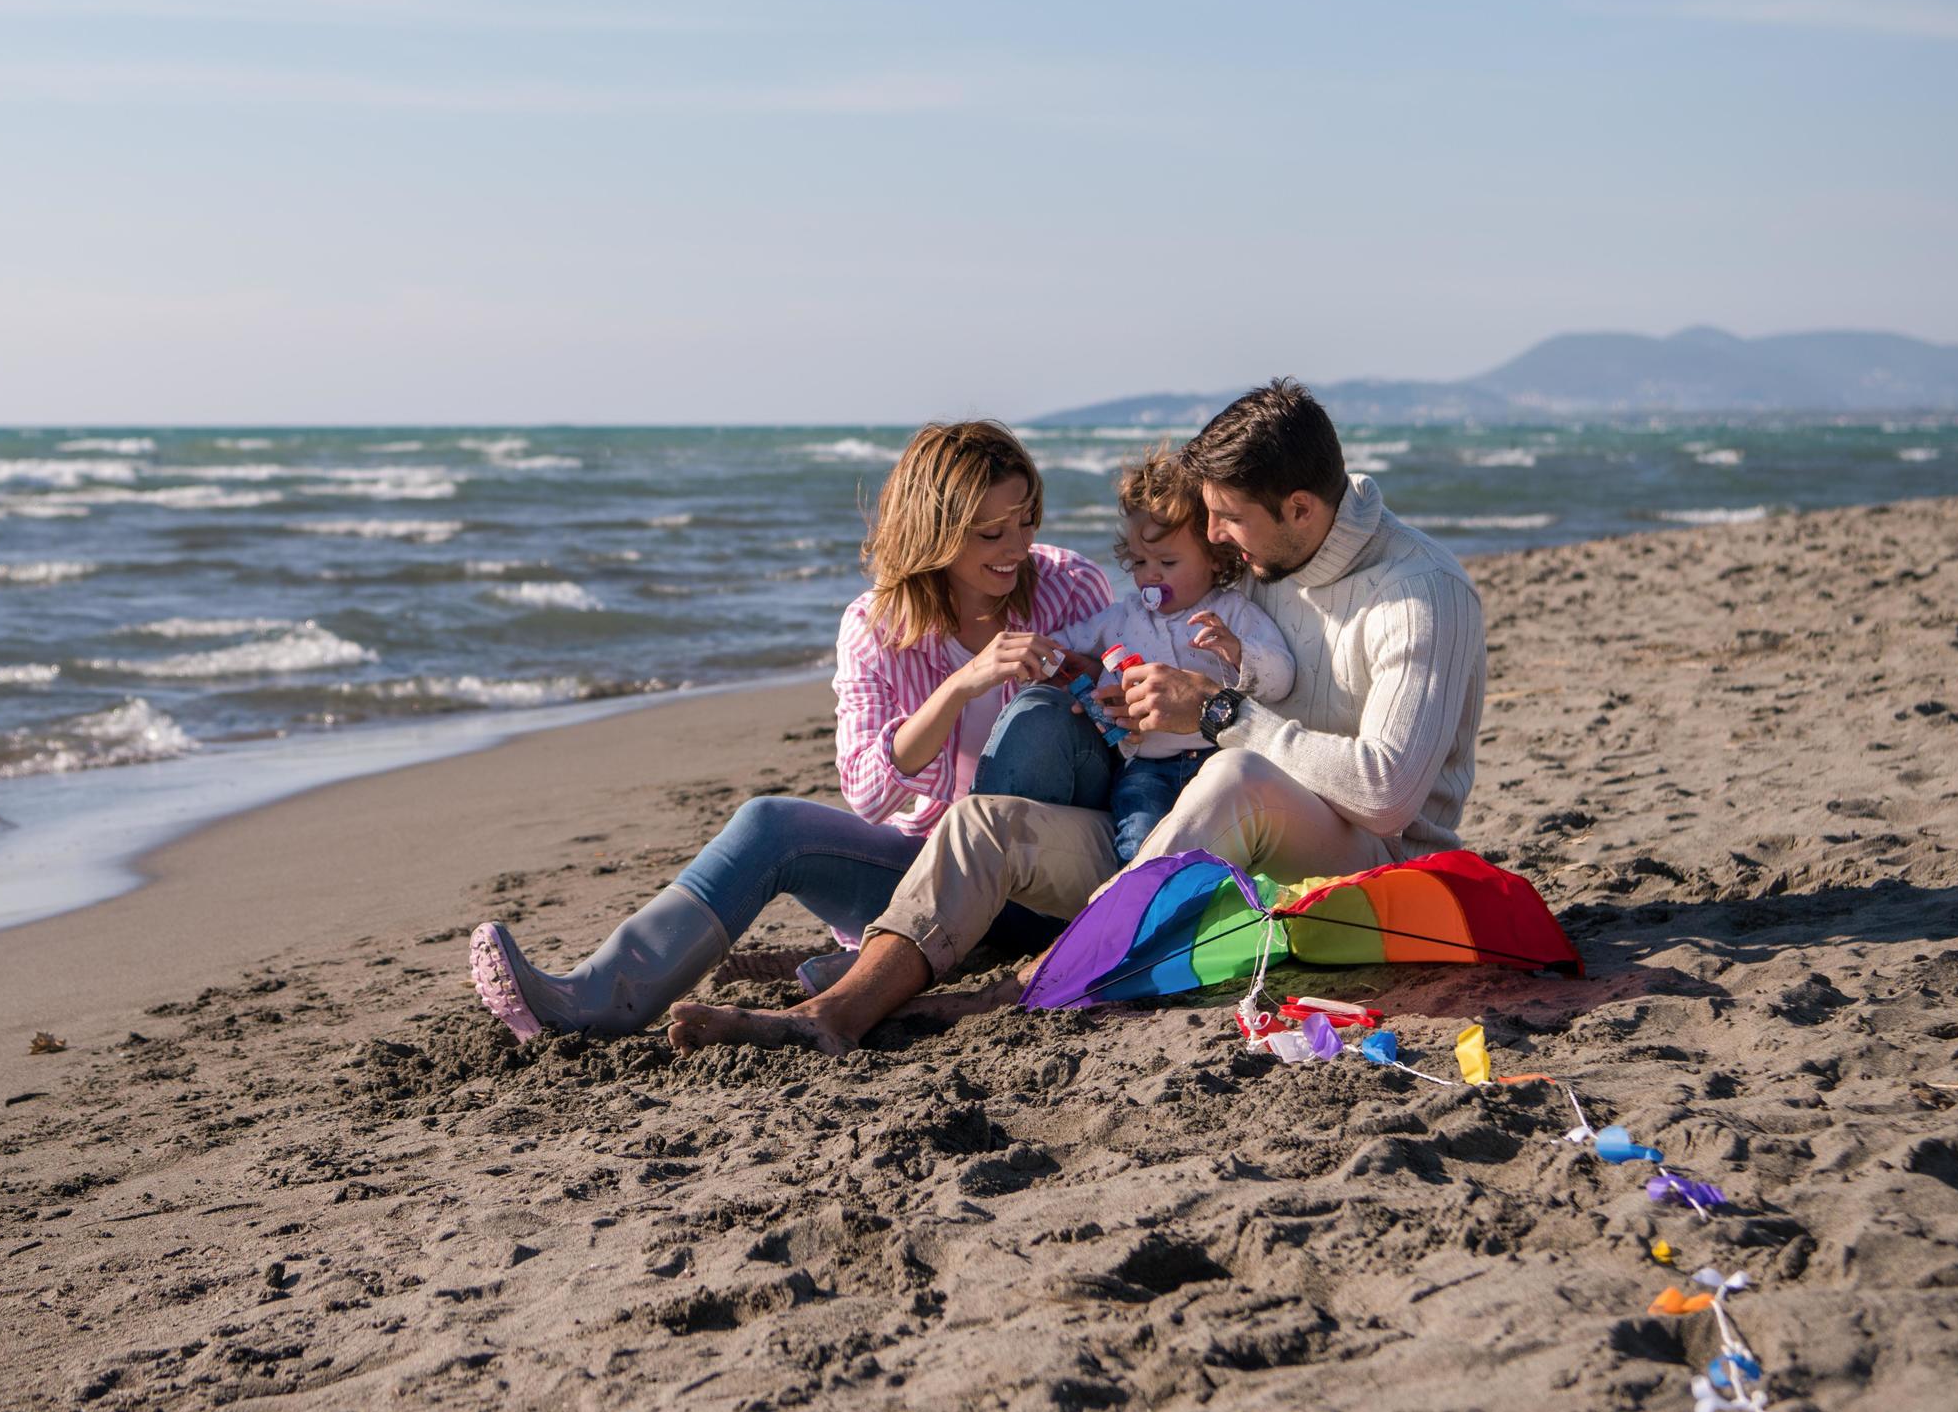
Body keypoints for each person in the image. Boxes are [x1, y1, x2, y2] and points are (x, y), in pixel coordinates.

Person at [667, 378, 1486, 1056]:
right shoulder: (1265, 567)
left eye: (1227, 521)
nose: (1216, 539)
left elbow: (1385, 797)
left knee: (1236, 770)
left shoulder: (1417, 594)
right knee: (983, 824)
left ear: (1301, 509)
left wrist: (1220, 711)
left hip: (1363, 860)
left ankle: (1024, 984)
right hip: (1194, 835)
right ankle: (837, 1012)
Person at [469, 418, 1114, 1040]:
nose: (1016, 548)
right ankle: (600, 993)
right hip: (928, 875)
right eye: (990, 533)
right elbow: (867, 791)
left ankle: (890, 965)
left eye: (1026, 521)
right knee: (768, 825)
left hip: (1047, 879)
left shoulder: (1069, 588)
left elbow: (1131, 725)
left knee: (1038, 718)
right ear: (935, 532)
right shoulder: (875, 627)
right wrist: (959, 686)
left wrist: (1097, 687)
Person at [1050, 445, 1297, 861]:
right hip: (1146, 767)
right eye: (1139, 561)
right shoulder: (1121, 617)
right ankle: (1139, 901)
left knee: (1220, 846)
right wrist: (1047, 656)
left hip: (1218, 761)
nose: (1150, 574)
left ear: (1215, 560)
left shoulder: (1230, 613)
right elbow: (1067, 641)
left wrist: (1238, 653)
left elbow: (1282, 676)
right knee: (1139, 840)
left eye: (1167, 561)